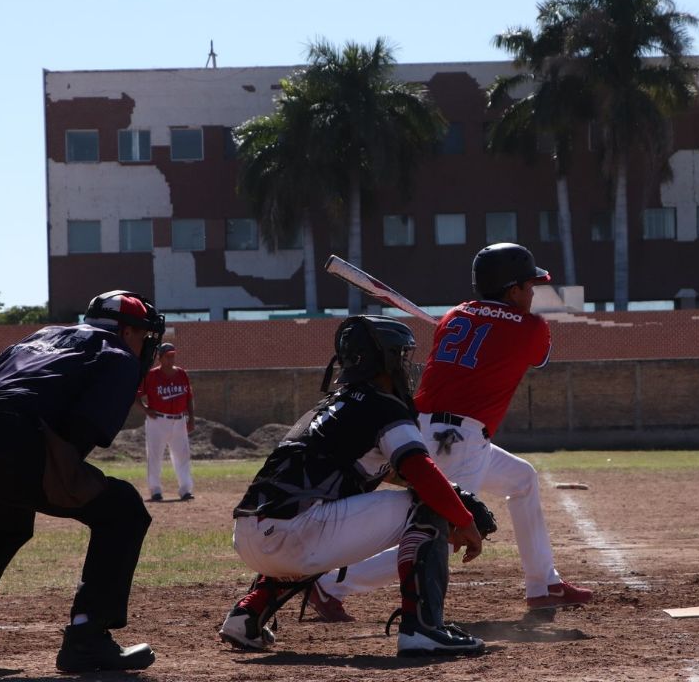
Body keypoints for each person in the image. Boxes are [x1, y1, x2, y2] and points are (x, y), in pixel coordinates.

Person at [306, 243, 593, 623]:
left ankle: (543, 584)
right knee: (436, 531)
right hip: (458, 440)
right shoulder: (531, 328)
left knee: (522, 478)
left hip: (426, 428)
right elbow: (538, 359)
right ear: (511, 291)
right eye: (528, 286)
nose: (532, 293)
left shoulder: (455, 316)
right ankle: (330, 586)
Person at [0, 290, 166, 673]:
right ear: (126, 331)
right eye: (143, 336)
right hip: (9, 438)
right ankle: (87, 639)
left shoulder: (45, 336)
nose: (145, 346)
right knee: (122, 510)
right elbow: (80, 433)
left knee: (5, 522)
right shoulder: (118, 357)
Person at [218, 315, 488, 657]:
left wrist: (452, 495)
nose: (406, 365)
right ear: (385, 359)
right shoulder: (381, 405)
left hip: (251, 536)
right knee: (426, 505)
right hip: (294, 533)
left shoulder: (333, 406)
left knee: (325, 517)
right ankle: (423, 628)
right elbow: (418, 469)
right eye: (401, 356)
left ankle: (247, 615)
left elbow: (384, 470)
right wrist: (460, 517)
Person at [136, 341, 195, 502]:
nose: (171, 359)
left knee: (182, 456)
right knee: (154, 457)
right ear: (160, 358)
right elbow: (136, 396)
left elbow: (188, 398)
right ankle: (155, 490)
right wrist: (146, 409)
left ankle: (185, 490)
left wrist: (191, 419)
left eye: (173, 356)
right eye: (168, 356)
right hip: (158, 421)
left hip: (179, 421)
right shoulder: (151, 375)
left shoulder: (181, 373)